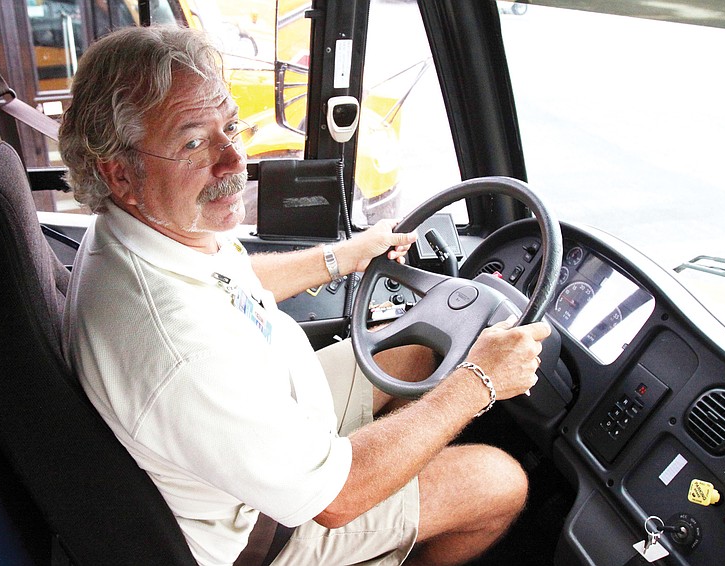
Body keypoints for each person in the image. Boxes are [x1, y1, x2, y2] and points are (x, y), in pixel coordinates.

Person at [59, 25, 550, 566]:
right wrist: (479, 381)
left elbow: (235, 281)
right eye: (194, 142)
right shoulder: (179, 349)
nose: (232, 162)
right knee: (499, 481)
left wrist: (345, 255)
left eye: (231, 127)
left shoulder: (150, 232)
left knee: (421, 352)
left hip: (277, 406)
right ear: (119, 172)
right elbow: (337, 501)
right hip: (263, 529)